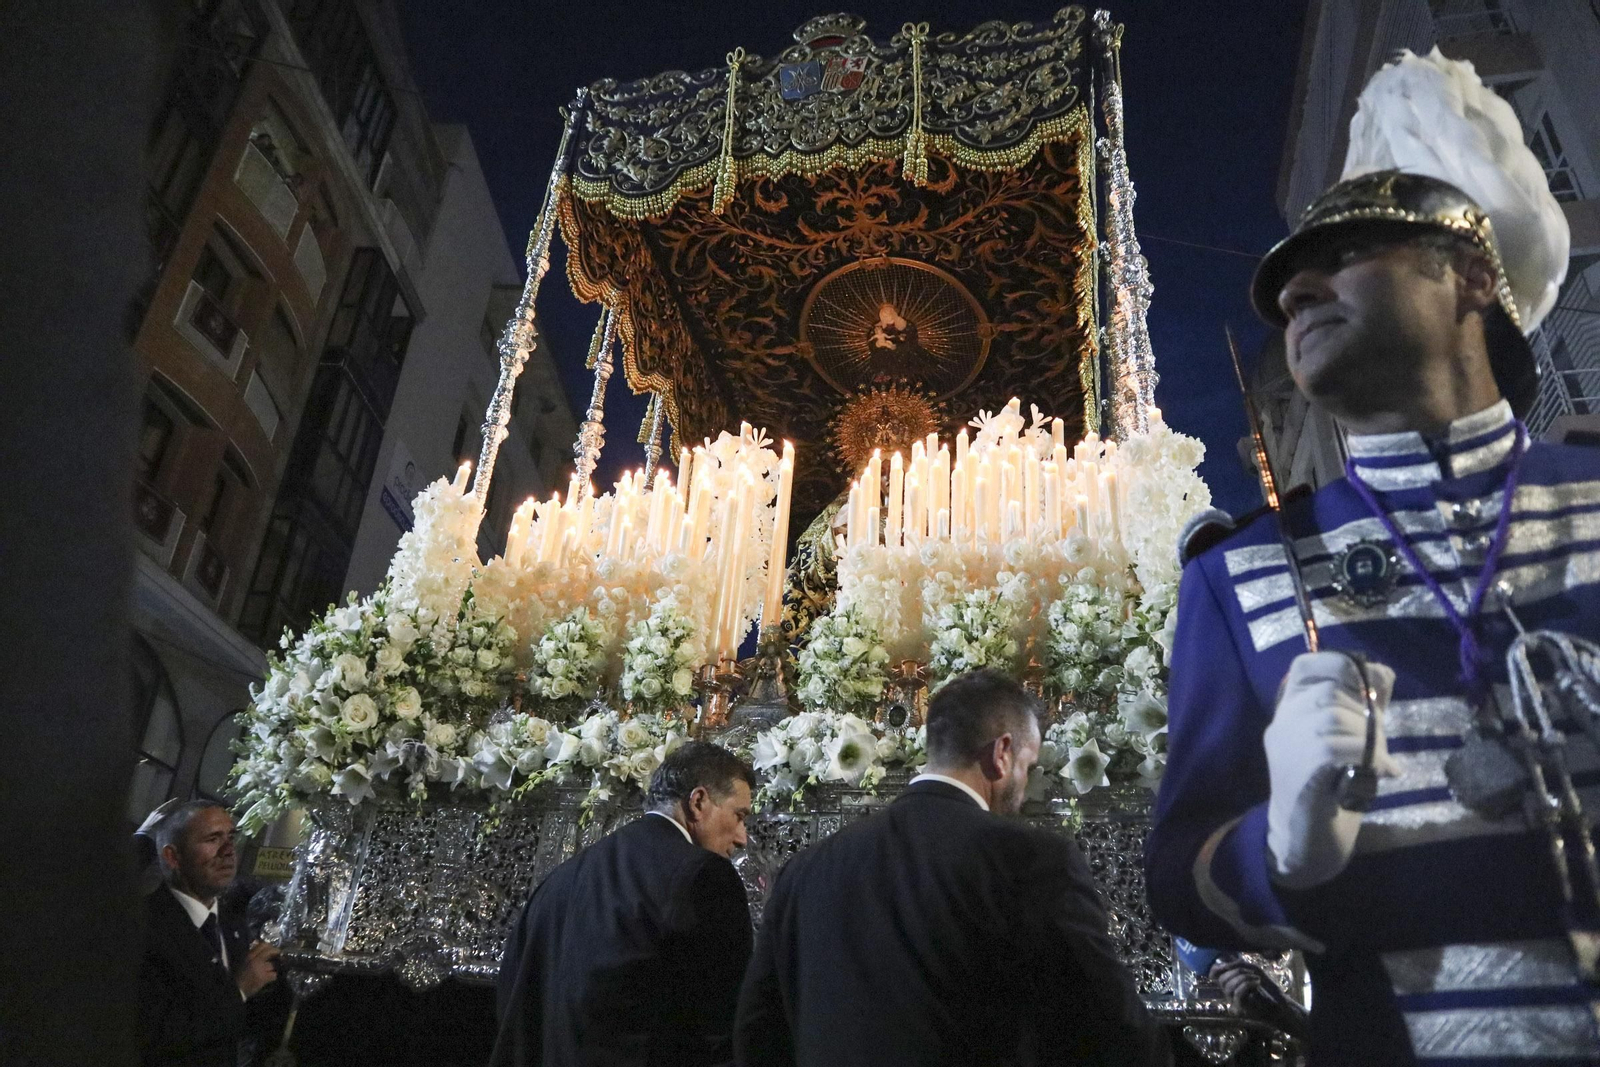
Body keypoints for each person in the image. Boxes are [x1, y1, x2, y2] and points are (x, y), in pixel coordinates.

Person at [1145, 48, 1600, 1064]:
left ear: (1473, 274)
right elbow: (1178, 870)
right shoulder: (1239, 575)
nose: (1292, 288)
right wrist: (1281, 844)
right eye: (1283, 282)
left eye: (1344, 250)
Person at [734, 669, 1169, 1066]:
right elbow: (1109, 1027)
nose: (1023, 785)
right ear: (1002, 753)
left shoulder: (808, 868)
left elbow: (758, 1033)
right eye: (1027, 766)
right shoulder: (1029, 859)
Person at [492, 740, 756, 1067]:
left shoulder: (562, 878)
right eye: (739, 815)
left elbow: (515, 1000)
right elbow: (725, 1021)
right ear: (698, 801)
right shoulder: (703, 876)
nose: (742, 837)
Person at [138, 800, 280, 1066]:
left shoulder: (233, 925)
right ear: (173, 857)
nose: (228, 851)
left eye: (231, 837)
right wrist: (239, 990)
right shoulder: (143, 928)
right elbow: (155, 1036)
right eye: (213, 839)